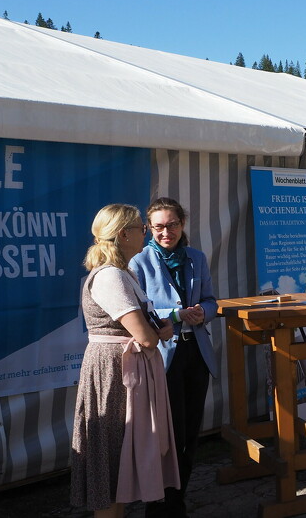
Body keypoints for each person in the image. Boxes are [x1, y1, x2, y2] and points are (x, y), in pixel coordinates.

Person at [71, 204, 180, 518]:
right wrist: (156, 333)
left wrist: (158, 328)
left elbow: (147, 325)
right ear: (123, 234)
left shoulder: (123, 274)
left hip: (125, 369)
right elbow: (143, 336)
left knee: (119, 458)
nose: (145, 234)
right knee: (111, 456)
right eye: (141, 228)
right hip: (114, 372)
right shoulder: (109, 277)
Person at [129, 198, 218, 518]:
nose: (167, 232)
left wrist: (202, 313)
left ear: (183, 224)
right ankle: (160, 506)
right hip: (161, 358)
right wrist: (177, 314)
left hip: (195, 354)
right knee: (167, 438)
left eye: (173, 225)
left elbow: (211, 302)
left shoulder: (196, 257)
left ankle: (176, 502)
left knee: (190, 435)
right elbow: (139, 312)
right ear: (149, 229)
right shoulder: (138, 262)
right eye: (159, 227)